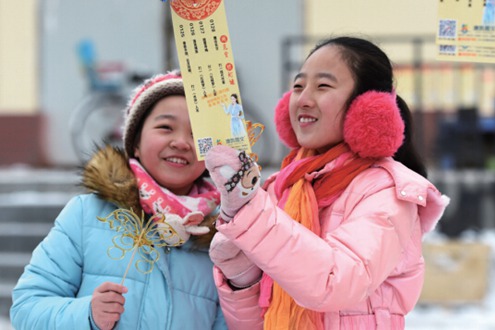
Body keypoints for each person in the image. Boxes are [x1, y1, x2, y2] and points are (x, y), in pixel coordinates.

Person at [204, 36, 450, 329]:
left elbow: (336, 283)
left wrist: (251, 213)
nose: (304, 99)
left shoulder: (387, 192)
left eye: (323, 86)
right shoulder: (281, 187)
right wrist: (242, 277)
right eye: (298, 86)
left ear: (368, 107)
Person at [10, 71, 228, 330]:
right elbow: (26, 308)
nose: (181, 142)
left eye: (196, 134)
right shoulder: (87, 215)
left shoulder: (220, 236)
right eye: (165, 127)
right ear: (134, 143)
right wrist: (87, 314)